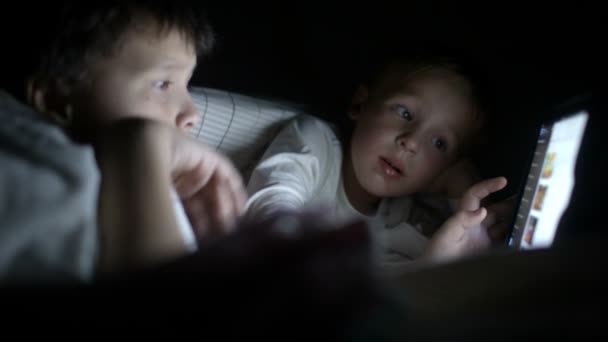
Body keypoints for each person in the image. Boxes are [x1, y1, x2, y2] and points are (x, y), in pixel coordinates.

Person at [0, 2, 247, 284]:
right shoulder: (47, 168)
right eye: (163, 84)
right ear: (55, 99)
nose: (193, 114)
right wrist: (143, 142)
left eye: (186, 85)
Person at [244, 49, 512, 273]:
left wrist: (463, 191)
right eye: (405, 113)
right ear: (360, 104)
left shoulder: (402, 224)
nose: (412, 142)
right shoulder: (315, 141)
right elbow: (270, 209)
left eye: (439, 143)